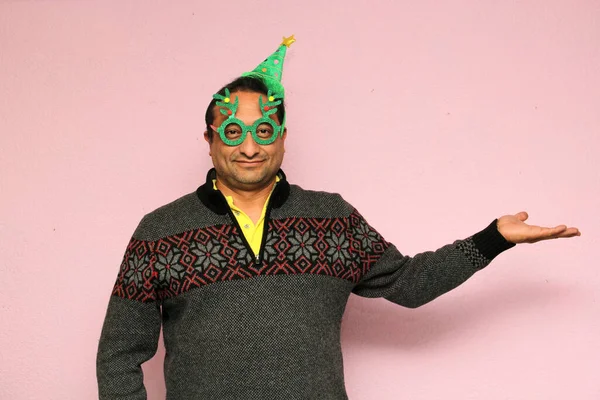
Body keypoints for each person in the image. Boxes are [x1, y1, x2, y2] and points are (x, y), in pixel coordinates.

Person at [96, 36, 580, 400]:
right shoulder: (160, 231)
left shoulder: (331, 219)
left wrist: (492, 239)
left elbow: (409, 284)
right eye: (233, 131)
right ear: (210, 139)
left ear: (283, 136)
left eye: (264, 130)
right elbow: (119, 353)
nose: (249, 147)